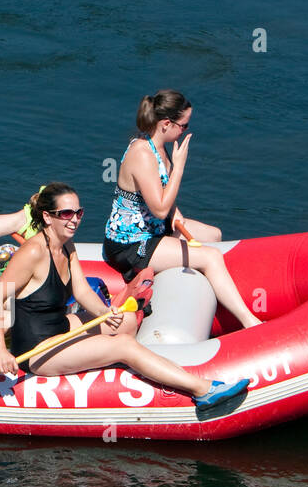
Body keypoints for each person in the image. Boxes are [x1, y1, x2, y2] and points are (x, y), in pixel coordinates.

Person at [0, 184, 251, 409]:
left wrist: (105, 313)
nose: (74, 220)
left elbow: (81, 291)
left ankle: (150, 362)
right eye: (66, 214)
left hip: (59, 326)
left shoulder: (66, 246)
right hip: (37, 348)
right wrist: (0, 350)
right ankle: (202, 390)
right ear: (47, 217)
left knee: (125, 321)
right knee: (123, 344)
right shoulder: (33, 252)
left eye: (78, 212)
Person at [104, 90, 261, 329]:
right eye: (184, 126)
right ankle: (250, 322)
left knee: (214, 235)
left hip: (155, 228)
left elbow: (160, 196)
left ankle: (219, 296)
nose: (185, 130)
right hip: (132, 243)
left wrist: (174, 211)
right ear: (166, 124)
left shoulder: (157, 146)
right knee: (211, 256)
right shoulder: (143, 154)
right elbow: (158, 208)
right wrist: (179, 167)